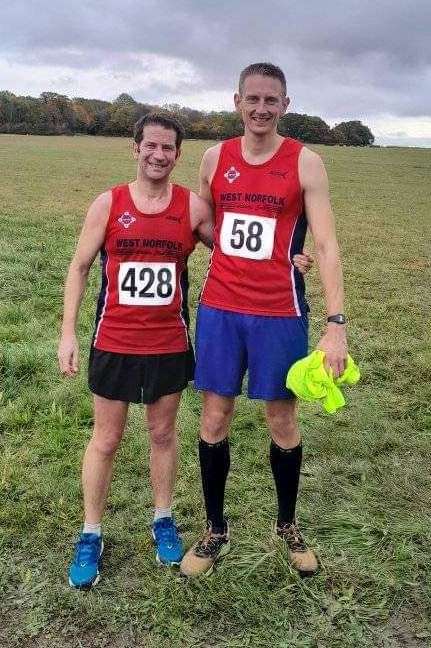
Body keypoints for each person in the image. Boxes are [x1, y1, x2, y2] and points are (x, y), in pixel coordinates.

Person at [58, 110, 312, 590]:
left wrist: (290, 256)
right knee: (106, 440)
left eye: (168, 148)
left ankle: (163, 519)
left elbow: (239, 246)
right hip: (113, 340)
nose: (158, 155)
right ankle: (91, 533)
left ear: (177, 154)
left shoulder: (193, 207)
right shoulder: (107, 204)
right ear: (135, 149)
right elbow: (79, 267)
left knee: (162, 436)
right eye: (149, 146)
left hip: (169, 343)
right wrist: (68, 332)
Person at [180, 62, 348, 578]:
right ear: (236, 101)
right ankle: (214, 530)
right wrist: (254, 252)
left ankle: (287, 525)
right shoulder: (214, 157)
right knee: (214, 417)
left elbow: (325, 243)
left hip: (279, 312)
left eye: (270, 101)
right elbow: (205, 222)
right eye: (252, 99)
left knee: (282, 419)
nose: (260, 109)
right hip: (221, 309)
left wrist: (336, 322)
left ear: (285, 105)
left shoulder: (306, 162)